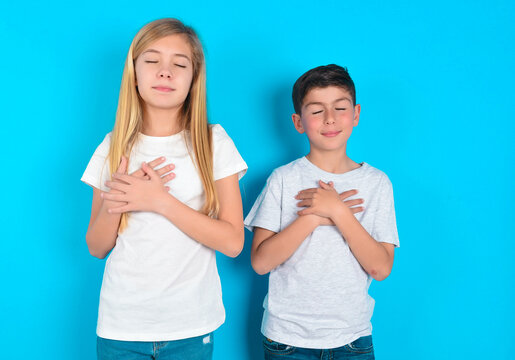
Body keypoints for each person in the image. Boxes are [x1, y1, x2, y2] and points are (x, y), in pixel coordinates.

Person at [81, 18, 247, 360]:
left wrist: (159, 201)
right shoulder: (112, 148)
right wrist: (119, 199)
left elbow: (232, 242)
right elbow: (97, 246)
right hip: (121, 325)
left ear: (193, 78)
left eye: (179, 64)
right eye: (152, 61)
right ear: (135, 73)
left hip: (191, 325)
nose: (165, 72)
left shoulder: (213, 142)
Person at [245, 64, 399, 359]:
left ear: (355, 114)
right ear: (298, 121)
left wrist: (340, 212)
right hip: (286, 341)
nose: (329, 119)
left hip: (352, 340)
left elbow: (380, 268)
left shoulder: (377, 183)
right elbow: (261, 262)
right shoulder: (283, 179)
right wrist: (316, 216)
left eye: (340, 108)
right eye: (316, 111)